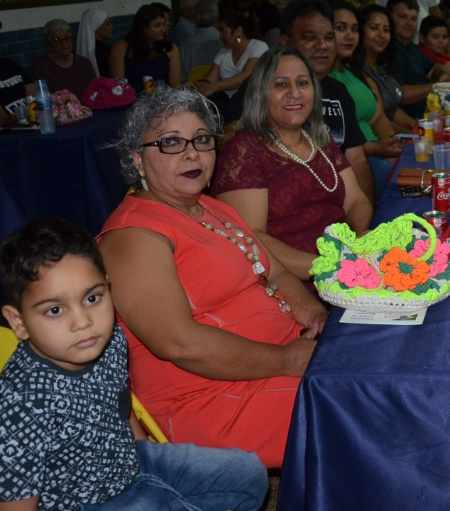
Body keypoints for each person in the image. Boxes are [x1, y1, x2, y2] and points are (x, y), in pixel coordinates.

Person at [97, 87, 328, 469]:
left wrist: (316, 318)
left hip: (274, 361)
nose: (192, 153)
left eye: (202, 140)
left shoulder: (211, 207)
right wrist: (287, 359)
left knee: (367, 370)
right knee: (351, 404)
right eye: (170, 143)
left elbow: (278, 272)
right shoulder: (132, 237)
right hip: (206, 400)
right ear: (138, 160)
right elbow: (180, 344)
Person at [0, 217, 269, 510]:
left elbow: (119, 404)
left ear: (109, 289)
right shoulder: (18, 408)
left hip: (132, 464)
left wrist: (148, 458)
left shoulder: (107, 340)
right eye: (55, 310)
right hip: (85, 504)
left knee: (249, 473)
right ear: (18, 322)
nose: (83, 322)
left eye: (92, 298)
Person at [212, 47, 373, 287]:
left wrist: (360, 243)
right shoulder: (244, 150)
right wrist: (331, 268)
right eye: (281, 85)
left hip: (345, 268)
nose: (294, 93)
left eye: (302, 83)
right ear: (260, 93)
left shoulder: (319, 139)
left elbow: (357, 200)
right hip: (292, 285)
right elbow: (253, 238)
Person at [277, 0, 375, 204]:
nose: (322, 46)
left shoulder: (339, 91)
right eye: (309, 37)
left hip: (342, 207)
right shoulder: (263, 91)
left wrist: (367, 218)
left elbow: (356, 159)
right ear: (285, 42)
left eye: (329, 38)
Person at [329, 0, 402, 194]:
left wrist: (396, 149)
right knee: (403, 183)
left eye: (354, 29)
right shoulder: (323, 78)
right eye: (341, 28)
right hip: (356, 158)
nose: (349, 36)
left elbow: (378, 119)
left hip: (378, 151)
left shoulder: (354, 72)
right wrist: (381, 150)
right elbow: (340, 140)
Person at [195, 11, 268, 122]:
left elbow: (245, 78)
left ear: (238, 31)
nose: (220, 37)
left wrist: (213, 87)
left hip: (249, 102)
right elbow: (210, 81)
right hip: (226, 104)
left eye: (223, 32)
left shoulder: (258, 47)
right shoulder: (223, 53)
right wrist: (201, 87)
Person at [354, 3, 415, 134]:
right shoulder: (357, 70)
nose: (381, 35)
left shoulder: (382, 65)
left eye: (386, 30)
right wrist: (411, 135)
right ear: (359, 30)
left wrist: (415, 126)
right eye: (374, 28)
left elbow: (392, 108)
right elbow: (378, 120)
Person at [388, 0, 450, 119]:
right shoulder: (388, 50)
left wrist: (441, 75)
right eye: (402, 17)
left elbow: (435, 68)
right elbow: (400, 94)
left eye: (413, 19)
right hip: (413, 121)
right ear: (388, 18)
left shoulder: (412, 48)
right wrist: (436, 87)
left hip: (431, 113)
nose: (409, 23)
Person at [109, 4, 182, 91]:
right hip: (132, 100)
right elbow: (119, 88)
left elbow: (175, 88)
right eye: (157, 26)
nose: (163, 29)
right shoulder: (120, 49)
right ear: (143, 27)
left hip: (163, 99)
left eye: (163, 24)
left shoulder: (170, 49)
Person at [31, 19, 97, 98]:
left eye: (67, 38)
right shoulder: (42, 67)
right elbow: (45, 98)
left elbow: (95, 89)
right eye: (57, 40)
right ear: (48, 44)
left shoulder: (83, 62)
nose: (64, 43)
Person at [179, 0, 223, 79]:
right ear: (217, 17)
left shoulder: (185, 45)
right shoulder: (225, 41)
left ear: (194, 18)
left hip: (193, 88)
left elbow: (182, 76)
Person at [76, 8, 114, 77]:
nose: (111, 26)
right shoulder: (102, 52)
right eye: (107, 24)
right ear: (95, 27)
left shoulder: (104, 48)